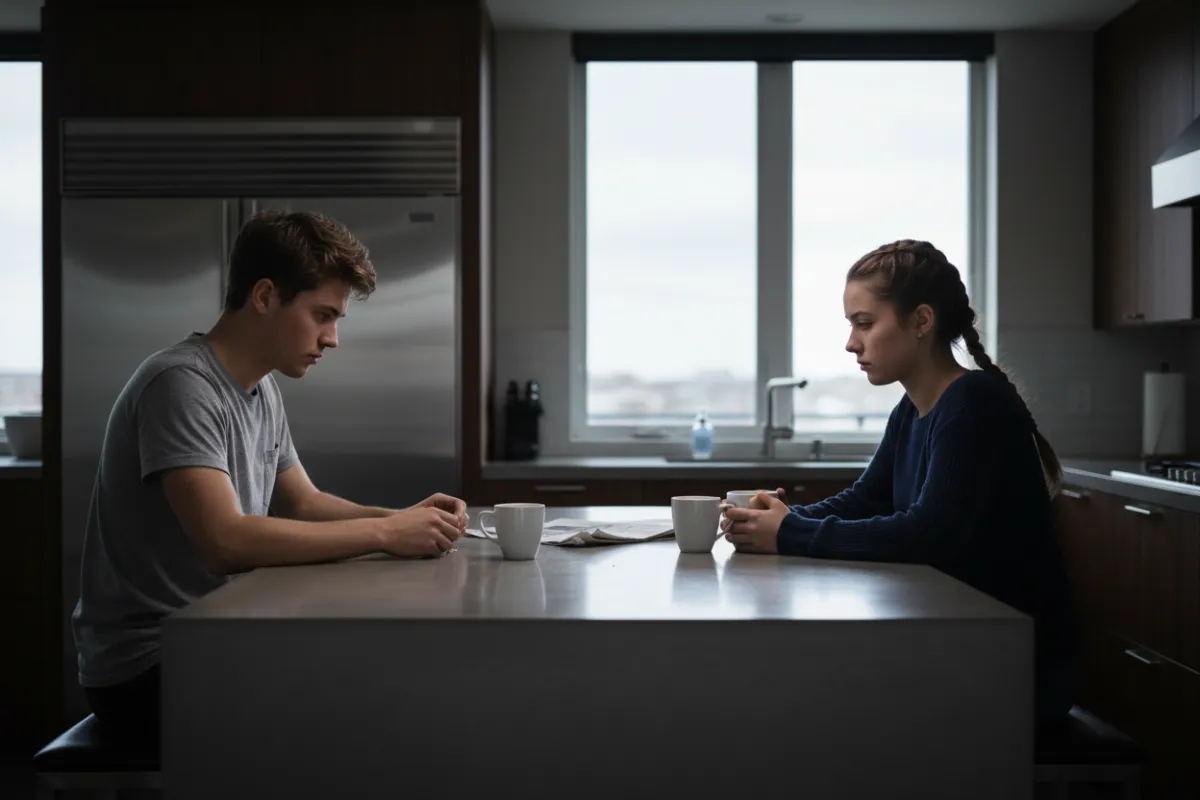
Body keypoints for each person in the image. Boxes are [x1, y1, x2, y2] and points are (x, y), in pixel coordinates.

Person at [70, 209, 469, 748]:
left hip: (214, 639)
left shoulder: (261, 389)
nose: (331, 338)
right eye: (322, 315)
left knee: (390, 682)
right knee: (378, 709)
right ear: (263, 297)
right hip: (150, 666)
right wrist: (385, 535)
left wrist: (407, 519)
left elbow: (304, 502)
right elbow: (224, 542)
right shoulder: (180, 384)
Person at [720, 239, 1076, 729]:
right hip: (962, 642)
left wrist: (789, 533)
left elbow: (930, 533)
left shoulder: (972, 402)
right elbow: (868, 498)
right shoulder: (913, 409)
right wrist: (784, 518)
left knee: (810, 702)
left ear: (921, 321)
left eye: (864, 324)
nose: (851, 343)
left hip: (1015, 663)